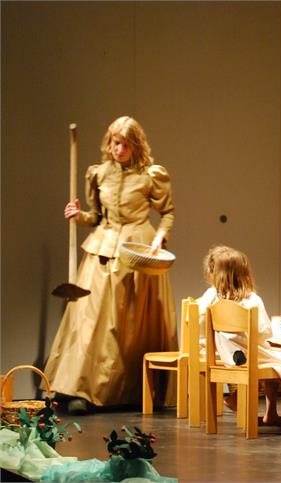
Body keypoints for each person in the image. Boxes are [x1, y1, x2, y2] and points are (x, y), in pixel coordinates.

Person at [44, 116, 177, 414]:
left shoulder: (150, 176)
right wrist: (79, 217)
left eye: (125, 145)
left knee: (125, 327)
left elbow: (167, 212)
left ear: (136, 146)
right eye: (116, 143)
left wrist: (160, 236)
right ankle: (79, 388)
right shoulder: (100, 173)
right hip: (102, 251)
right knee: (88, 320)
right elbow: (97, 217)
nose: (119, 150)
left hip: (135, 255)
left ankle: (125, 391)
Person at [201, 246, 281, 425]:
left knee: (272, 360)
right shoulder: (252, 299)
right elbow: (264, 332)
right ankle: (277, 412)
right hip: (250, 355)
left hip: (228, 355)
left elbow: (198, 318)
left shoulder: (212, 297)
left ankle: (239, 399)